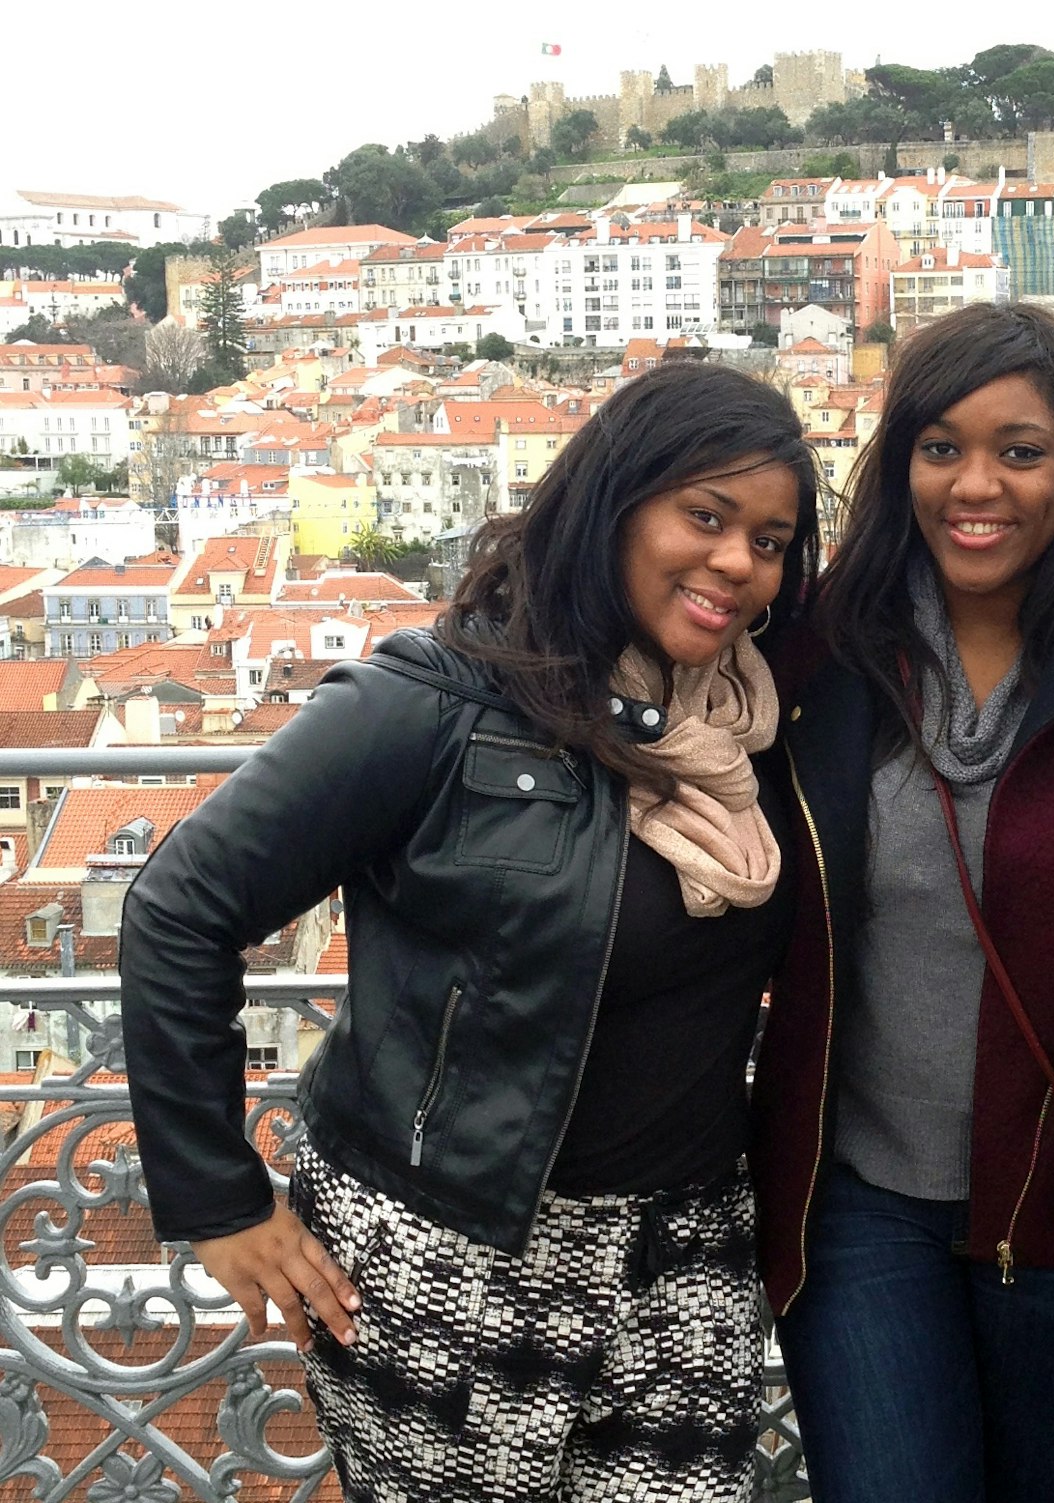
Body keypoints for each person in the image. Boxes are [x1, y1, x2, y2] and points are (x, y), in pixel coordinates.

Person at [118, 362, 820, 1503]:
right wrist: (219, 1202)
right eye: (706, 515)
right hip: (445, 1260)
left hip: (685, 1263)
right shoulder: (439, 702)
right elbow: (177, 909)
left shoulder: (755, 732)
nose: (739, 562)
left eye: (773, 540)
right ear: (613, 503)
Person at [750, 303, 1054, 1503]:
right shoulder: (824, 650)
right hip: (858, 1197)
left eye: (1021, 450)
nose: (974, 485)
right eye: (940, 447)